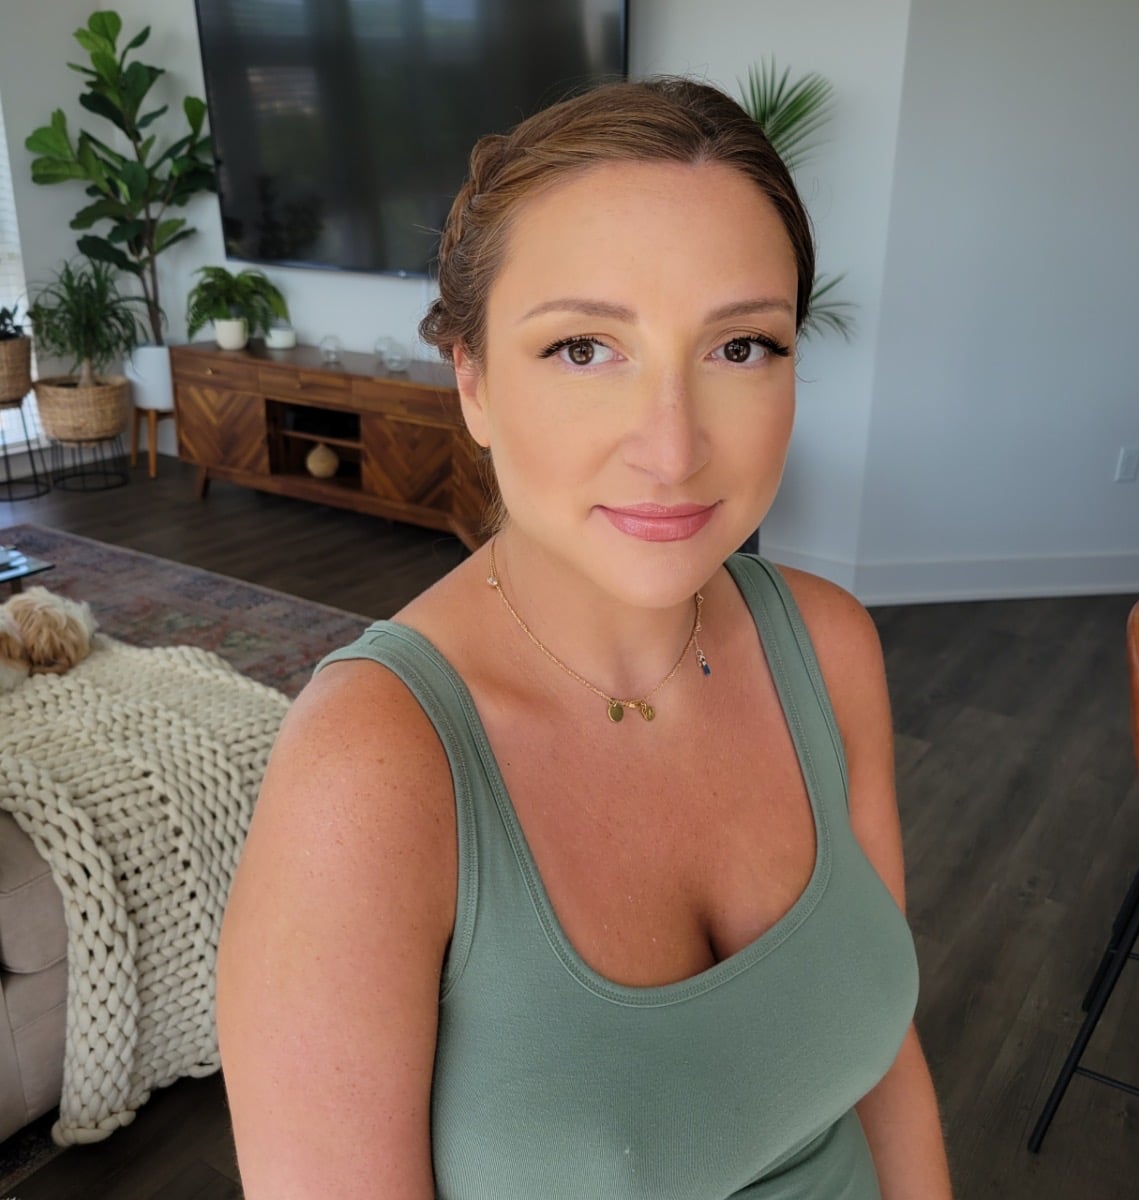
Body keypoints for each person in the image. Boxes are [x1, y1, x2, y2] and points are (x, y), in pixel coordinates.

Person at [216, 77, 954, 1199]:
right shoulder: (370, 775)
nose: (672, 447)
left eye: (742, 347)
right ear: (470, 379)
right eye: (582, 349)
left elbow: (887, 1060)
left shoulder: (830, 648)